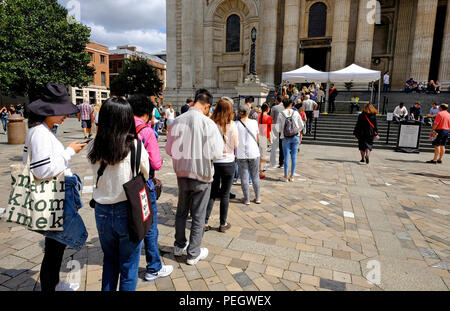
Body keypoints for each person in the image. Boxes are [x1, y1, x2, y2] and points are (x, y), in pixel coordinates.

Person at [24, 83, 88, 292]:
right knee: (55, 247)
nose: (64, 116)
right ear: (48, 111)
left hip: (55, 193)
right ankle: (51, 286)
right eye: (61, 112)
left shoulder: (40, 130)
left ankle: (53, 283)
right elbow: (42, 170)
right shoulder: (41, 133)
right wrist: (70, 151)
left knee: (55, 246)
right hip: (54, 195)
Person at [89, 97, 150, 291]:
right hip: (128, 210)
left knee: (110, 261)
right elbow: (146, 173)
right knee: (129, 266)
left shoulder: (94, 145)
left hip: (102, 210)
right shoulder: (136, 146)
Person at [166, 89, 223, 265]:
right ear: (207, 106)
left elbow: (169, 150)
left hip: (182, 173)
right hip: (202, 175)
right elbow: (216, 152)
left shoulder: (177, 121)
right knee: (198, 214)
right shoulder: (209, 124)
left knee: (182, 211)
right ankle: (193, 253)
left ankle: (179, 245)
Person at [127, 94, 173, 282]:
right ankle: (153, 267)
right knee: (149, 225)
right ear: (146, 113)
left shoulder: (119, 126)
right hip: (142, 184)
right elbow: (156, 163)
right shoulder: (146, 132)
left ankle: (128, 264)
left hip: (122, 183)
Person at [205, 97, 238, 233]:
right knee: (225, 194)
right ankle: (222, 223)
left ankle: (205, 222)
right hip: (228, 162)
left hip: (214, 161)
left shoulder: (211, 123)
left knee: (212, 193)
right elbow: (236, 145)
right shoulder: (232, 125)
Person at [235, 104, 261, 205]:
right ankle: (258, 197)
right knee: (255, 176)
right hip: (254, 151)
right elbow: (258, 137)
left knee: (244, 176)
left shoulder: (235, 123)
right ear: (248, 112)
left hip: (241, 152)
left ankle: (247, 198)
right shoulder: (254, 122)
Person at [278, 99, 304, 182]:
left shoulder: (281, 114)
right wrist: (297, 131)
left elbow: (279, 128)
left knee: (286, 156)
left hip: (285, 137)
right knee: (294, 156)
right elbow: (302, 125)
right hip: (295, 136)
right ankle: (292, 176)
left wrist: (284, 132)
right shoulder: (295, 113)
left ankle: (285, 176)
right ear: (291, 104)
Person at [258, 103, 273, 179]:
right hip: (264, 136)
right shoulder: (269, 118)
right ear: (267, 109)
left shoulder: (258, 116)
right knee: (263, 155)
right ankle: (260, 171)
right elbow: (270, 130)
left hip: (257, 136)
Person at [269, 96, 285, 168]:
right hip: (283, 127)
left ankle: (273, 162)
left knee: (274, 145)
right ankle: (281, 162)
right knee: (282, 146)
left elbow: (271, 118)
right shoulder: (285, 107)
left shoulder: (274, 108)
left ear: (277, 100)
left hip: (275, 126)